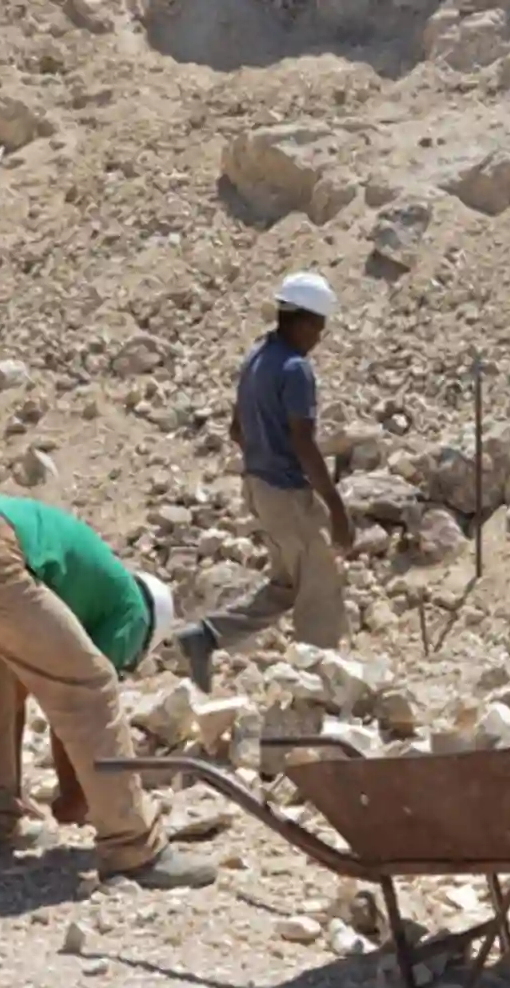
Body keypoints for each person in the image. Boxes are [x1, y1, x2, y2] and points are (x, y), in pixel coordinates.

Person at [0, 494, 218, 890]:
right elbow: (73, 704)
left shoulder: (91, 585)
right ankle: (134, 848)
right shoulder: (132, 611)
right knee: (92, 686)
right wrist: (73, 798)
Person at [175, 271, 354, 693]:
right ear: (304, 320)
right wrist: (336, 507)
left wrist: (263, 461)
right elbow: (304, 441)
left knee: (286, 584)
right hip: (288, 494)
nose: (320, 338)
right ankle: (318, 688)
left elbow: (237, 429)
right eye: (319, 327)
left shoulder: (256, 359)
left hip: (259, 489)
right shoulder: (295, 369)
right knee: (320, 591)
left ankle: (206, 635)